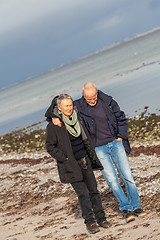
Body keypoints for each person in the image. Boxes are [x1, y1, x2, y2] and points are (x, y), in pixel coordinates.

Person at [45, 83, 146, 223]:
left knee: (128, 176)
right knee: (112, 181)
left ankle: (137, 207)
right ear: (83, 97)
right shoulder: (78, 106)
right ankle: (127, 208)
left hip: (115, 143)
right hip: (98, 149)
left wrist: (120, 137)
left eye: (94, 98)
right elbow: (59, 105)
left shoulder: (107, 101)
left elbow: (121, 117)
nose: (92, 101)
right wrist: (52, 117)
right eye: (89, 99)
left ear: (97, 94)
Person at [45, 93, 112, 234]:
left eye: (70, 105)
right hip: (70, 165)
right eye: (66, 106)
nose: (69, 108)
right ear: (59, 107)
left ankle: (101, 218)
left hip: (85, 160)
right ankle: (90, 222)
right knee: (83, 194)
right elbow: (50, 147)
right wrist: (65, 158)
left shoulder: (78, 117)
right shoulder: (54, 125)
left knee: (94, 190)